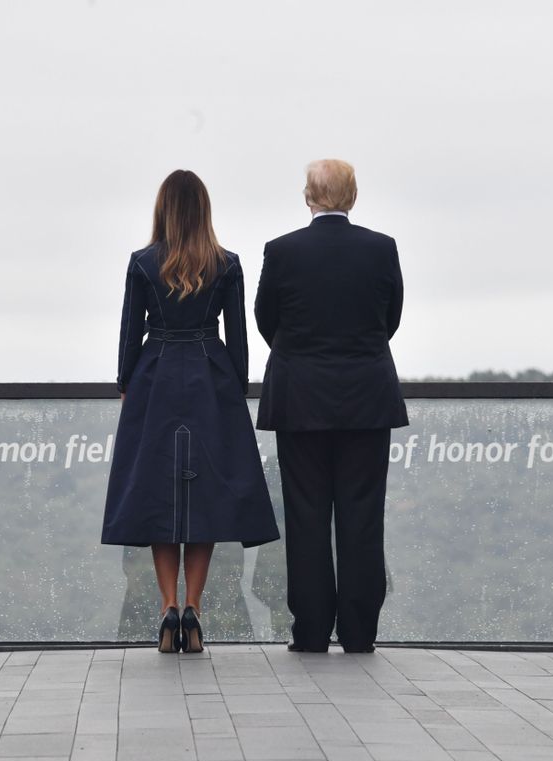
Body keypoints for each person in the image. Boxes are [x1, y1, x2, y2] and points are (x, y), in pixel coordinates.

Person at [102, 169, 280, 653]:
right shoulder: (228, 264)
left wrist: (126, 383)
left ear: (162, 209)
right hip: (210, 375)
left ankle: (167, 609)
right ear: (203, 210)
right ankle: (194, 609)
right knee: (202, 500)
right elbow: (238, 337)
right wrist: (234, 387)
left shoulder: (142, 262)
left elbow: (128, 332)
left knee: (162, 495)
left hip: (155, 376)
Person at [254, 159, 408, 654]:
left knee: (306, 517)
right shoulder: (381, 248)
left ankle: (312, 631)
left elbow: (265, 320)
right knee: (363, 517)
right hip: (366, 397)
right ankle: (361, 633)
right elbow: (390, 319)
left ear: (308, 196)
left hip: (299, 400)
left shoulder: (282, 251)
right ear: (353, 196)